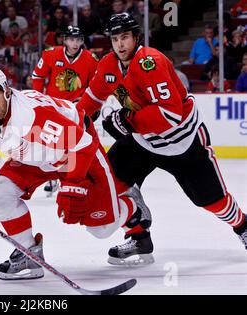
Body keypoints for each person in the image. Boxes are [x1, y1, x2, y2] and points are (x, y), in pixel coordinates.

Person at [0, 65, 153, 279]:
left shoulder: (30, 117)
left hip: (75, 153)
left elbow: (80, 143)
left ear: (6, 91)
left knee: (101, 229)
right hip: (33, 157)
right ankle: (28, 253)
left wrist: (73, 185)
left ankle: (131, 208)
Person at [76, 13, 247, 264]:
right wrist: (72, 123)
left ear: (136, 37)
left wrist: (125, 121)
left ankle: (242, 226)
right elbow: (91, 98)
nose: (120, 44)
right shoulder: (108, 65)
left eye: (125, 37)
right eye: (115, 39)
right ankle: (139, 238)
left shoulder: (150, 62)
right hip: (142, 142)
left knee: (213, 202)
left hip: (181, 142)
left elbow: (169, 114)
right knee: (107, 184)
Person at [32, 26, 99, 196]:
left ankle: (74, 176)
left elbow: (96, 86)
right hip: (53, 107)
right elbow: (37, 76)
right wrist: (38, 98)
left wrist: (89, 103)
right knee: (51, 143)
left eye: (78, 40)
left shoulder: (91, 59)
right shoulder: (51, 53)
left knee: (76, 144)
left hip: (76, 109)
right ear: (65, 40)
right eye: (71, 39)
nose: (75, 43)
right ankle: (53, 178)